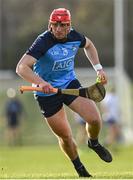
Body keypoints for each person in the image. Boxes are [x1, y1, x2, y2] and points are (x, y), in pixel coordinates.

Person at [16, 8, 112, 177]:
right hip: (46, 93)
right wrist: (41, 82)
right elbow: (21, 67)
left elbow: (89, 45)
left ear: (69, 26)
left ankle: (94, 143)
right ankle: (80, 169)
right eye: (55, 24)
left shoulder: (75, 37)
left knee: (95, 119)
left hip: (69, 84)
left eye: (63, 25)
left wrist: (98, 69)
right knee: (66, 136)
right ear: (50, 25)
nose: (59, 28)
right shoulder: (43, 42)